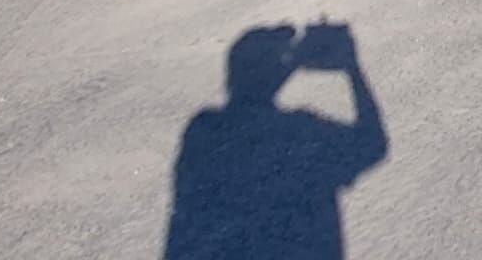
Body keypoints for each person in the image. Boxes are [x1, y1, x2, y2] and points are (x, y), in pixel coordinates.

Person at [164, 22, 387, 260]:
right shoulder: (302, 129)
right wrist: (351, 69)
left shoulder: (203, 129)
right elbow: (373, 143)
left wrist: (291, 61)